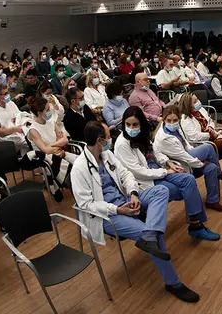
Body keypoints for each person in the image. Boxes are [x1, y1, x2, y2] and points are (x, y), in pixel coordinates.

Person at [71, 122, 201, 303]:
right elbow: (86, 205)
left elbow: (125, 175)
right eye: (108, 137)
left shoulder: (107, 154)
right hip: (107, 215)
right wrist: (117, 209)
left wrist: (132, 193)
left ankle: (150, 234)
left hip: (126, 201)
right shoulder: (79, 168)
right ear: (99, 140)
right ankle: (173, 283)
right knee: (153, 235)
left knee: (160, 192)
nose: (111, 140)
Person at [152, 106, 222, 211]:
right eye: (169, 120)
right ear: (164, 120)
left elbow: (186, 144)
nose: (172, 123)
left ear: (179, 119)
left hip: (187, 158)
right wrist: (199, 163)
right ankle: (220, 173)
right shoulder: (163, 138)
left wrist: (197, 157)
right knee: (209, 147)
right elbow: (183, 156)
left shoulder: (176, 128)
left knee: (211, 167)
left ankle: (212, 201)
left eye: (175, 120)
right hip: (180, 165)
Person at [0, 83, 27, 154]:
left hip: (19, 132)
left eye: (7, 92)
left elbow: (20, 116)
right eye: (5, 93)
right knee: (29, 142)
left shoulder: (10, 103)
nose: (8, 95)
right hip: (6, 137)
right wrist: (15, 129)